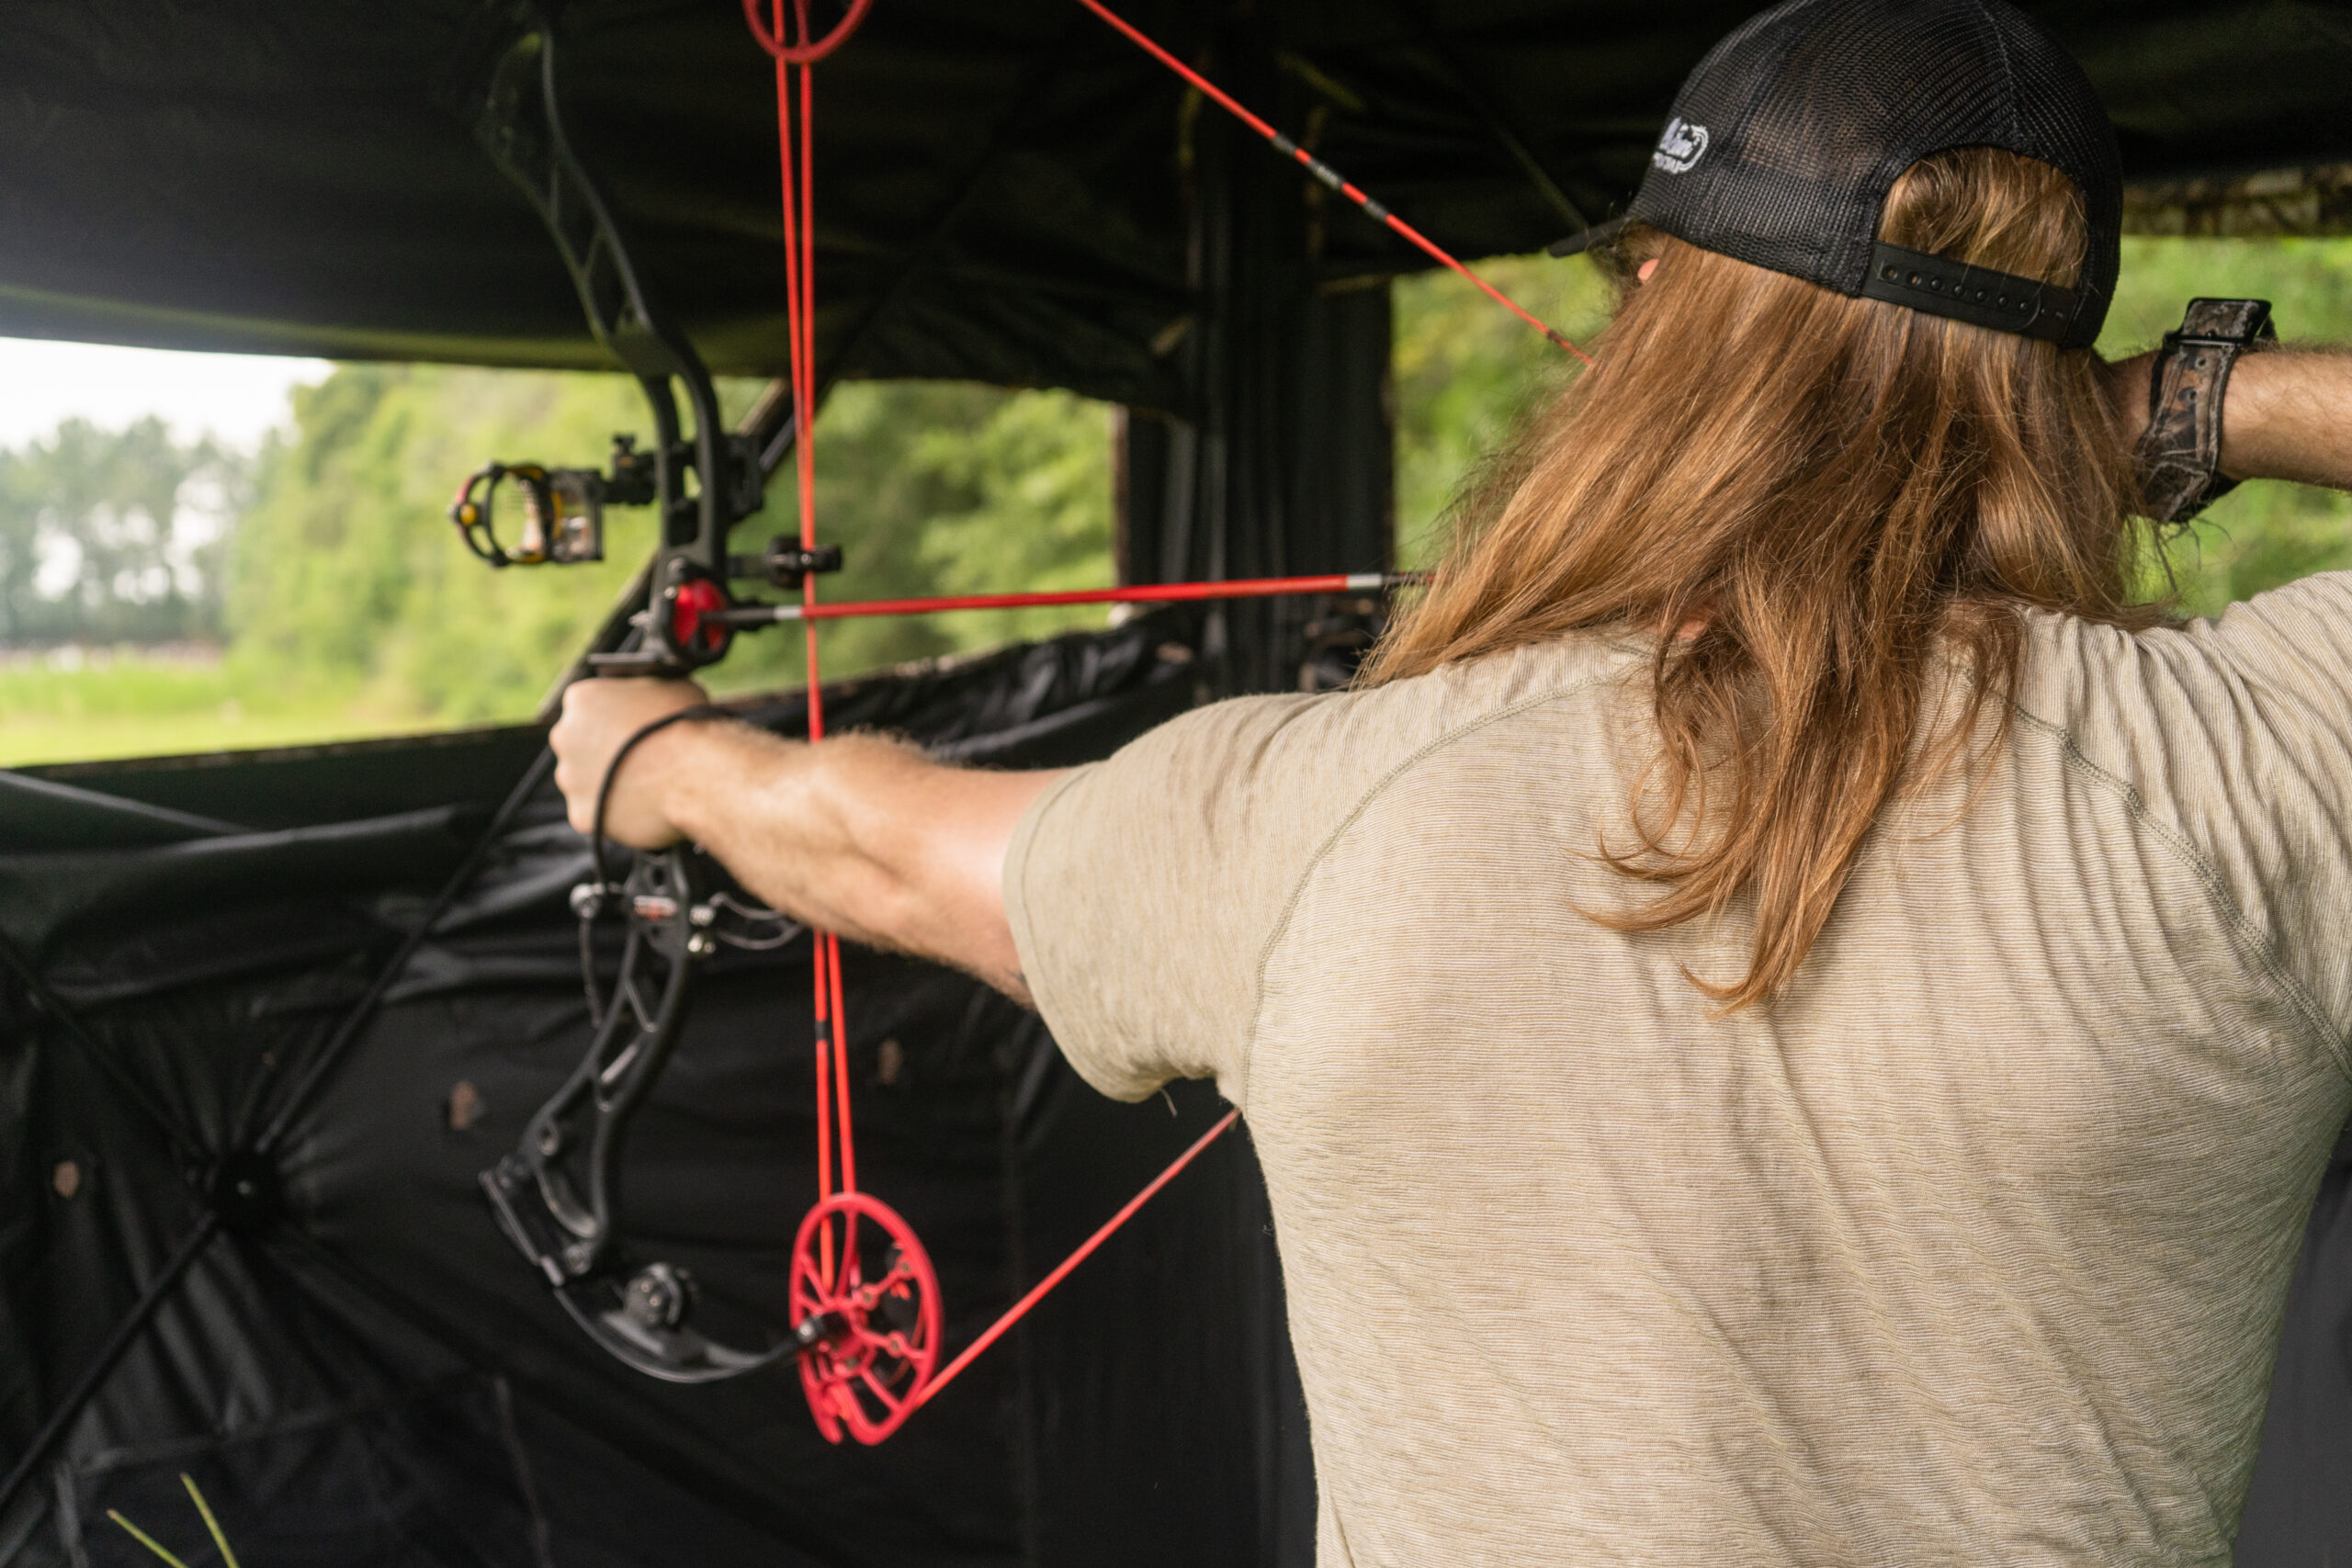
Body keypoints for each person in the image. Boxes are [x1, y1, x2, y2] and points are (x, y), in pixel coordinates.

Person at [551, 0, 2352, 1560]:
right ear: (2056, 362)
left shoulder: (1326, 804)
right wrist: (2192, 409)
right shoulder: (2256, 770)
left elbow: (863, 842)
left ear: (1659, 310)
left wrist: (653, 752)